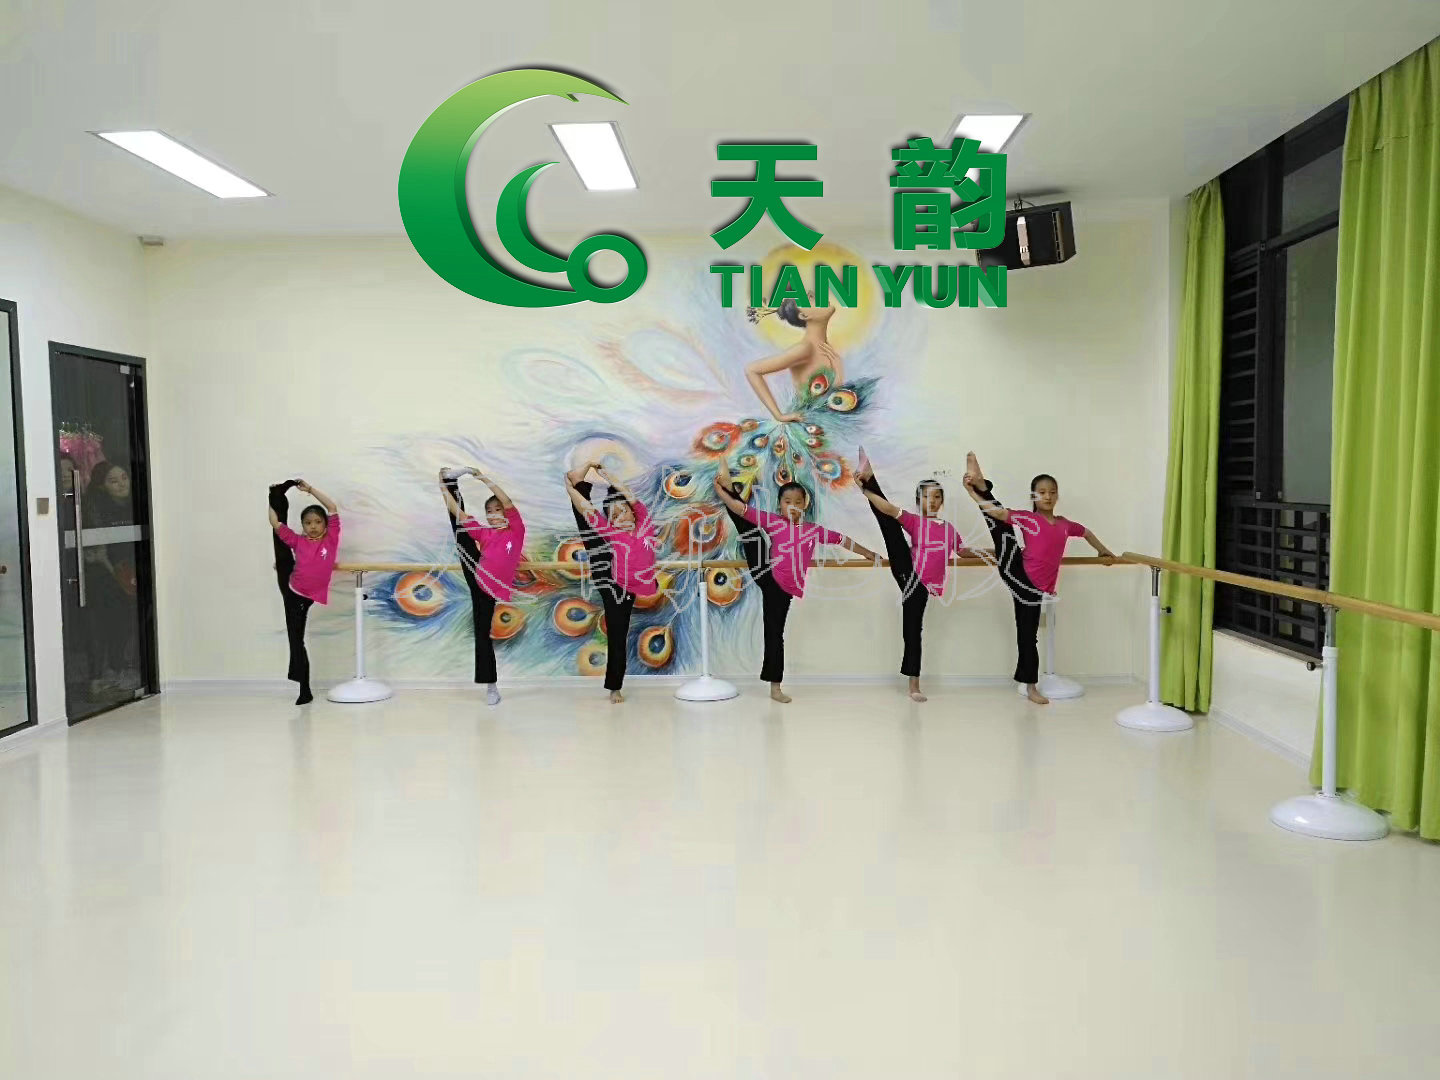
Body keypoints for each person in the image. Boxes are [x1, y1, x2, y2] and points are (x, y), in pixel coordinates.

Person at [712, 458, 879, 703]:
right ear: (780, 505)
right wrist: (722, 493)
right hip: (766, 573)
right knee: (751, 531)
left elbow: (841, 539)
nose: (792, 506)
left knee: (774, 634)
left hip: (784, 590)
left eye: (798, 502)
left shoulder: (812, 530)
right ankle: (729, 486)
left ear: (804, 505)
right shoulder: (774, 521)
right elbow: (741, 510)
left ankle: (774, 687)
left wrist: (867, 553)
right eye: (787, 502)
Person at [962, 452, 1115, 705]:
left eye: (1052, 492)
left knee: (1028, 632)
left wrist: (1103, 551)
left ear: (1057, 495)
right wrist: (973, 495)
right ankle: (1031, 687)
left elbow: (1087, 532)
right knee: (1003, 529)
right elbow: (998, 514)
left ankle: (982, 487)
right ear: (1034, 496)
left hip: (1035, 584)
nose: (1048, 496)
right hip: (1020, 576)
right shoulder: (1029, 518)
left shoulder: (1064, 524)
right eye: (1042, 492)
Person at [854, 447, 974, 702]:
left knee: (913, 630)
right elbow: (888, 508)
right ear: (919, 500)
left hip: (925, 586)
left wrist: (993, 552)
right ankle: (870, 479)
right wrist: (866, 492)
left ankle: (914, 683)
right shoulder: (915, 521)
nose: (932, 501)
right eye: (927, 497)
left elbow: (963, 552)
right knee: (890, 526)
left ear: (942, 501)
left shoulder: (949, 529)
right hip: (908, 572)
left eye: (937, 497)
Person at [563, 459, 658, 703]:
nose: (619, 516)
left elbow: (629, 496)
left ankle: (579, 483)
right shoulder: (612, 532)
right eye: (613, 515)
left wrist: (607, 475)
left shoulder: (645, 525)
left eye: (623, 510)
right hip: (611, 578)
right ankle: (615, 688)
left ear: (633, 513)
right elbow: (588, 511)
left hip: (630, 583)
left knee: (619, 632)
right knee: (591, 532)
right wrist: (570, 490)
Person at [439, 466, 524, 707]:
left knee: (484, 632)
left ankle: (491, 685)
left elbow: (507, 501)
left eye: (498, 510)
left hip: (493, 587)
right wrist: (443, 488)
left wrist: (483, 478)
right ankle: (491, 686)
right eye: (489, 511)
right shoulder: (485, 533)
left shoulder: (516, 530)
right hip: (478, 576)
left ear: (506, 512)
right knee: (461, 528)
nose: (494, 514)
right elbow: (458, 514)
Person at [267, 479, 340, 705]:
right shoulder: (298, 541)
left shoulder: (331, 539)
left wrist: (310, 490)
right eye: (308, 523)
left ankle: (303, 686)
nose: (313, 526)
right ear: (303, 526)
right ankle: (304, 689)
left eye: (318, 522)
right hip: (292, 590)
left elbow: (332, 507)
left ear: (325, 524)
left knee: (296, 640)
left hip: (305, 596)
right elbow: (275, 523)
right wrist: (272, 499)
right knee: (296, 640)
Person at [744, 298, 843, 423]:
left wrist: (838, 371)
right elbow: (751, 370)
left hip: (826, 424)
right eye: (810, 300)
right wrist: (779, 416)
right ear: (804, 315)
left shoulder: (823, 347)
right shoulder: (805, 349)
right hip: (810, 425)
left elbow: (831, 399)